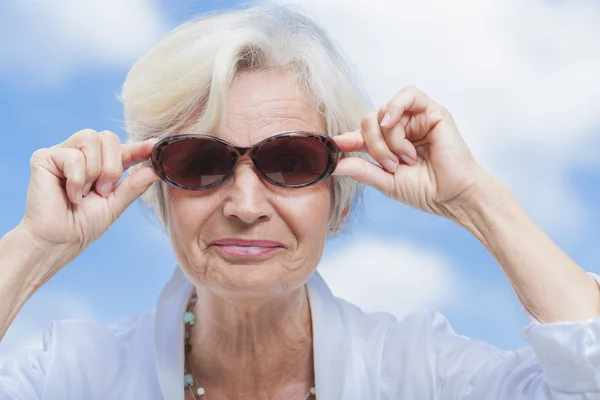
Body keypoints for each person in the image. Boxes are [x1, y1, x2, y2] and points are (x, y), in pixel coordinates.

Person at [1, 4, 599, 400]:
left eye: (290, 162)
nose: (244, 203)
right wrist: (36, 245)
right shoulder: (76, 375)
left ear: (339, 202)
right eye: (200, 163)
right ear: (158, 196)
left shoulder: (420, 371)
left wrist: (477, 199)